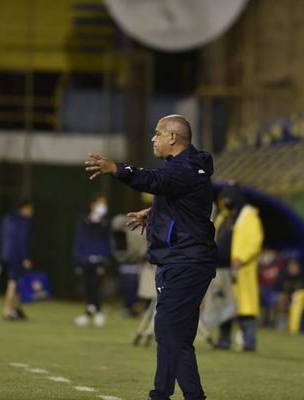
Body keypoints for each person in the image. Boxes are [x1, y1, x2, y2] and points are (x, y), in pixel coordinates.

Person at [85, 114, 217, 400]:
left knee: (168, 333)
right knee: (178, 338)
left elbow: (154, 180)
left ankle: (160, 395)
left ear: (173, 138)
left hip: (185, 260)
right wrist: (154, 213)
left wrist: (116, 168)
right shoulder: (188, 167)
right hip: (185, 259)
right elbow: (181, 201)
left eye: (158, 133)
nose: (153, 139)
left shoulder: (184, 167)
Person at [214, 184, 264, 351]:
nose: (226, 200)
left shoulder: (249, 216)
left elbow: (255, 242)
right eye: (223, 198)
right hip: (221, 268)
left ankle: (249, 342)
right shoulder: (223, 217)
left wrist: (241, 259)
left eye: (229, 197)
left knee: (245, 308)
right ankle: (223, 340)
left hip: (241, 269)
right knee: (224, 305)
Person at [0, 199, 34, 321]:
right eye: (30, 208)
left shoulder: (7, 218)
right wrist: (25, 258)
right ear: (24, 208)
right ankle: (7, 310)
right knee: (13, 283)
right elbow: (21, 241)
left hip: (5, 254)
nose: (31, 211)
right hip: (16, 256)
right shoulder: (24, 222)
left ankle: (17, 309)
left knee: (16, 283)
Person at [73, 195, 113, 327]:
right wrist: (78, 258)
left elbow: (108, 242)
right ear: (93, 205)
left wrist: (106, 258)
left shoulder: (105, 223)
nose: (103, 207)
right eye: (101, 204)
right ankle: (90, 312)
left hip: (100, 259)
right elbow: (79, 240)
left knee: (97, 286)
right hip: (85, 258)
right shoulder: (83, 221)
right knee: (87, 287)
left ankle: (97, 312)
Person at [276, 258, 304, 330]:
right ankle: (283, 320)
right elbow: (282, 287)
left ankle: (300, 325)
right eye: (291, 266)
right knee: (282, 297)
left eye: (295, 266)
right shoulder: (284, 274)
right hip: (289, 296)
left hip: (301, 298)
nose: (293, 268)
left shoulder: (302, 274)